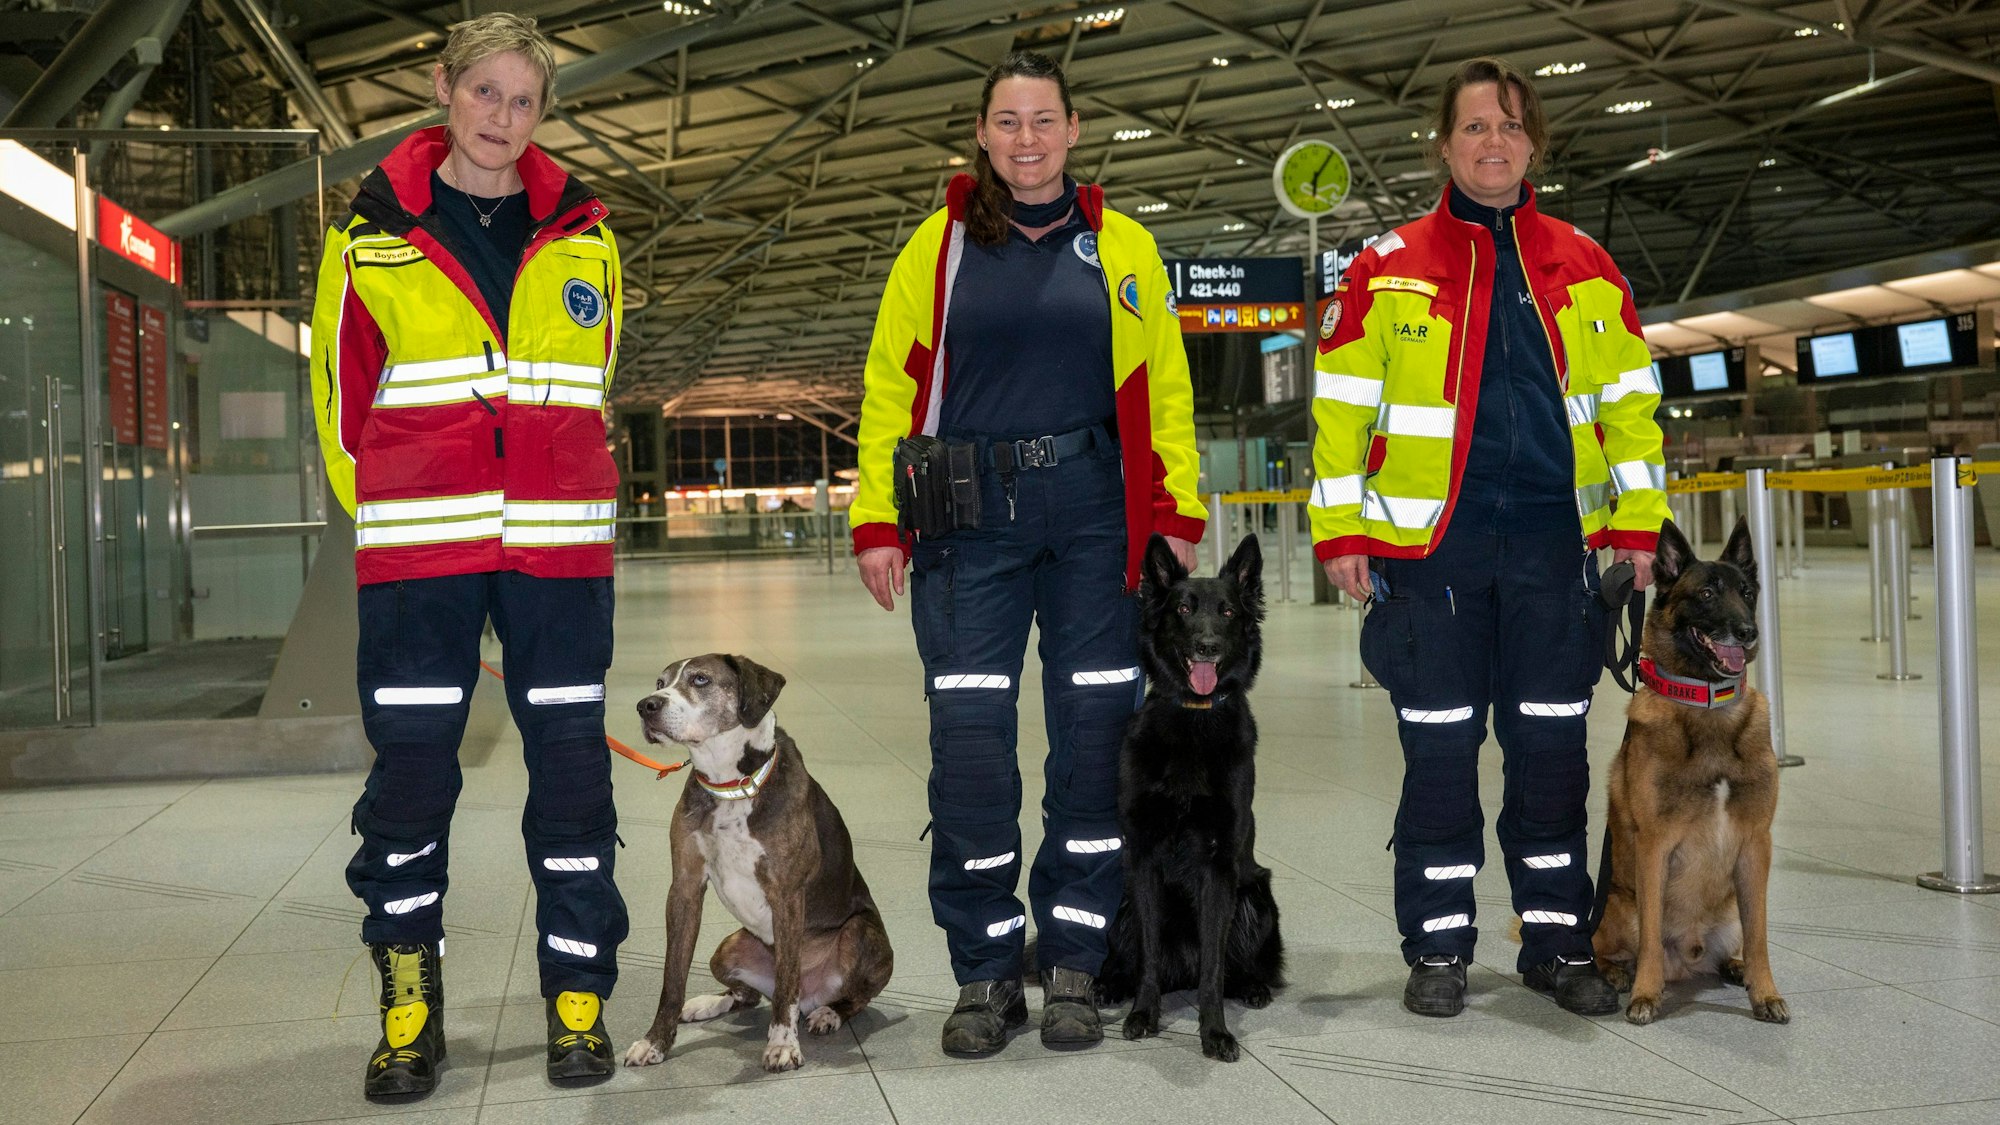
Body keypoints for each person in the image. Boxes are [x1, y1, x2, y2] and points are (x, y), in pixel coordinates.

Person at [849, 50, 1206, 1056]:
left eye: (1043, 120)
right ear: (981, 133)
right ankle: (985, 969)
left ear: (1074, 129)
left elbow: (1164, 386)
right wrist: (877, 519)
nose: (1026, 139)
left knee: (1094, 743)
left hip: (1095, 518)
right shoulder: (939, 247)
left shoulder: (1123, 246)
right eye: (1006, 122)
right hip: (969, 520)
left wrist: (1175, 507)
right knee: (969, 747)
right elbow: (891, 384)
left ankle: (1075, 960)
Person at [308, 13, 627, 1095]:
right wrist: (398, 519)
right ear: (443, 88)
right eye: (484, 91)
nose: (501, 116)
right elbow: (339, 403)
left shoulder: (588, 237)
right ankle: (409, 1002)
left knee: (574, 777)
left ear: (542, 113)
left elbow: (591, 382)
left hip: (559, 559)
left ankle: (578, 996)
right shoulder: (370, 238)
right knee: (409, 781)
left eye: (523, 100)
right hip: (420, 559)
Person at [1310, 57, 1667, 1019]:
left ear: (1534, 143)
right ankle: (1438, 942)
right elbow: (1340, 413)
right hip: (1434, 554)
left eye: (1511, 126)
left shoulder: (1586, 264)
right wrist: (1339, 529)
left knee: (1551, 753)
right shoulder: (1386, 269)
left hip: (1555, 548)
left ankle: (1558, 942)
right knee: (1438, 754)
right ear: (1444, 145)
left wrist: (1636, 524)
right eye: (1475, 126)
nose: (1494, 142)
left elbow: (1631, 410)